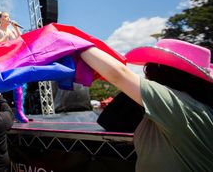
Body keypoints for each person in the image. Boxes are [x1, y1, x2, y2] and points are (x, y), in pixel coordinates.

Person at [80, 39, 213, 171]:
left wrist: (72, 43)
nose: (146, 75)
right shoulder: (196, 108)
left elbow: (118, 74)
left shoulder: (180, 106)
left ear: (161, 72)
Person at [0, 11, 28, 122]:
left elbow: (21, 40)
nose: (8, 18)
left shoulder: (12, 30)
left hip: (13, 60)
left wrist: (16, 29)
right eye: (6, 16)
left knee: (19, 86)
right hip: (1, 60)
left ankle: (19, 112)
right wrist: (6, 35)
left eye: (8, 16)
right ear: (0, 19)